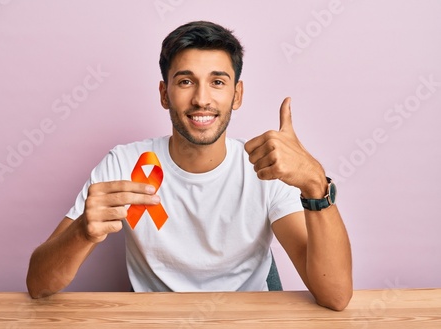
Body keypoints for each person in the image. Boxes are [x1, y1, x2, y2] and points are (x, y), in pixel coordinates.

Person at [26, 21, 352, 311]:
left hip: (248, 320)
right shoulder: (127, 164)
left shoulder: (265, 169)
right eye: (185, 82)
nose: (201, 99)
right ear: (164, 93)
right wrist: (82, 231)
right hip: (157, 322)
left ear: (237, 95)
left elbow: (335, 296)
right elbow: (39, 284)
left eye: (217, 82)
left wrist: (314, 184)